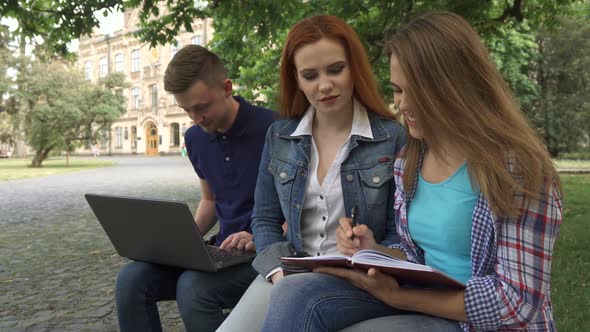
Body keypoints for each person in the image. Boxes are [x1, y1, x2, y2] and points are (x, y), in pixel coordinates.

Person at [261, 11, 564, 332]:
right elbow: (412, 251)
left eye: (415, 92)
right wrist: (374, 250)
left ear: (456, 88)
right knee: (295, 292)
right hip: (416, 300)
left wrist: (402, 298)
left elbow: (517, 303)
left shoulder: (519, 171)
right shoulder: (411, 158)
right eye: (397, 90)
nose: (402, 105)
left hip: (477, 322)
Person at [217, 15, 406, 332]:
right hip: (289, 272)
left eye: (336, 69)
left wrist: (371, 249)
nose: (325, 85)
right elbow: (264, 218)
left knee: (296, 299)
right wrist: (277, 272)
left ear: (354, 67)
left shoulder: (392, 137)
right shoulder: (280, 135)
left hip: (361, 281)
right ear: (297, 79)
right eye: (310, 75)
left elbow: (402, 236)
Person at [114, 45, 276, 332]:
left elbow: (305, 207)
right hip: (223, 251)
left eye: (201, 107)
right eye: (186, 109)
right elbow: (210, 200)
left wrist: (258, 235)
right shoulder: (195, 138)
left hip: (265, 250)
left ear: (227, 88)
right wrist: (176, 242)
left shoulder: (276, 128)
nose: (194, 118)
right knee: (131, 280)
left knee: (193, 287)